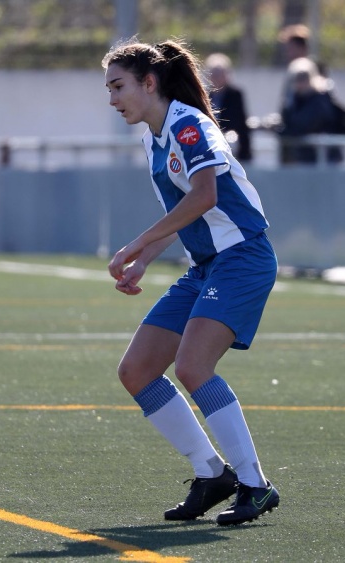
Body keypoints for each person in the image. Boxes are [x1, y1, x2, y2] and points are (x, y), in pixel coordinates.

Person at [102, 38, 279, 526]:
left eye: (119, 86)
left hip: (243, 258)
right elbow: (180, 215)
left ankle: (256, 486)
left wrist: (136, 245)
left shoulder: (190, 125)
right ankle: (212, 475)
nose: (113, 99)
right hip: (206, 266)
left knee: (194, 367)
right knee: (137, 371)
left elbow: (204, 196)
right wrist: (146, 259)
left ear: (149, 82)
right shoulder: (153, 136)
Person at [278, 57, 340, 164]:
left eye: (304, 78)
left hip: (324, 159)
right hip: (304, 159)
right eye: (297, 79)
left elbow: (303, 124)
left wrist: (283, 131)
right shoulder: (295, 100)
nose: (300, 83)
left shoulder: (320, 99)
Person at [205, 53, 252, 162]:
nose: (216, 78)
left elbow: (238, 120)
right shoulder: (205, 95)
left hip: (232, 143)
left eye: (220, 74)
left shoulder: (235, 95)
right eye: (214, 74)